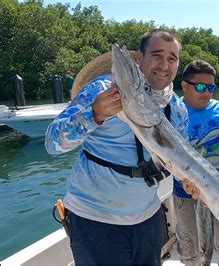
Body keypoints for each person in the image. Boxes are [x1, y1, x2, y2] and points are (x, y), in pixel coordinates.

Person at [45, 29, 200, 265]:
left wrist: (190, 183)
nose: (164, 64)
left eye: (172, 58)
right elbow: (52, 143)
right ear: (139, 58)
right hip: (95, 220)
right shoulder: (102, 90)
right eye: (157, 55)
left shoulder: (177, 109)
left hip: (148, 218)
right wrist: (94, 113)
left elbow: (179, 162)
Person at [173, 59, 219, 266]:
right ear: (184, 85)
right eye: (200, 87)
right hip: (186, 194)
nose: (206, 92)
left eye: (211, 87)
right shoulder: (174, 112)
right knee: (192, 249)